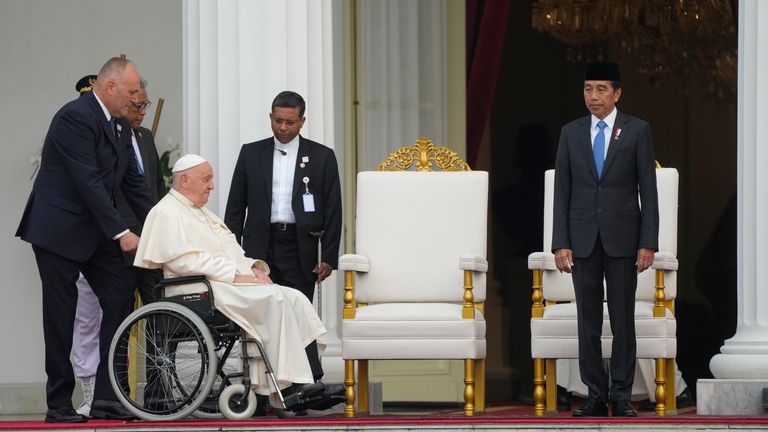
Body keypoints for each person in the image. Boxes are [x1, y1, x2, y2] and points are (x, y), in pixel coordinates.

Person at [134, 154, 343, 402]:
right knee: (274, 299)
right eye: (206, 179)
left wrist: (253, 269)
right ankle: (287, 386)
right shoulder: (166, 212)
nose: (212, 185)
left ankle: (311, 378)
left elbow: (231, 251)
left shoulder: (201, 213)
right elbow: (182, 261)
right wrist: (235, 275)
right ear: (185, 180)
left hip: (222, 284)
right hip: (197, 289)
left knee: (294, 297)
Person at [16, 57, 153, 423]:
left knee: (120, 292)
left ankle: (109, 395)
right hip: (58, 232)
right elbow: (88, 183)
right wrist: (123, 233)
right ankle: (58, 404)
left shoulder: (121, 126)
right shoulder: (74, 117)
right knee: (61, 314)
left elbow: (132, 185)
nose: (135, 99)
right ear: (109, 87)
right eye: (130, 92)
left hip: (94, 233)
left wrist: (164, 224)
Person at [552, 62, 659, 417]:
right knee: (588, 322)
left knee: (623, 319)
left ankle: (623, 396)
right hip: (582, 238)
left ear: (617, 93)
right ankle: (596, 395)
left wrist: (648, 242)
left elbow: (649, 189)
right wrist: (560, 241)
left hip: (624, 237)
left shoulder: (637, 131)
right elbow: (562, 192)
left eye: (600, 89)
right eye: (587, 89)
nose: (593, 97)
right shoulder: (571, 132)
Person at [224, 91, 342, 385]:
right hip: (258, 247)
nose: (283, 128)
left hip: (299, 245)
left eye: (290, 122)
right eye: (278, 121)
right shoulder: (251, 153)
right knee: (262, 316)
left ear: (302, 121)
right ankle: (262, 385)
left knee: (298, 312)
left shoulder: (321, 156)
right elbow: (236, 208)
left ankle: (304, 383)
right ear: (270, 118)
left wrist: (328, 256)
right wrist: (230, 253)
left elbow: (333, 208)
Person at [70, 77, 165, 417]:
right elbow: (97, 188)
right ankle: (106, 390)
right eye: (136, 104)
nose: (139, 112)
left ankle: (156, 390)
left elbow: (149, 191)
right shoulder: (96, 134)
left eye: (144, 106)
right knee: (99, 318)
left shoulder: (142, 137)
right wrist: (121, 231)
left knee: (156, 311)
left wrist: (164, 228)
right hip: (110, 242)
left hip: (147, 242)